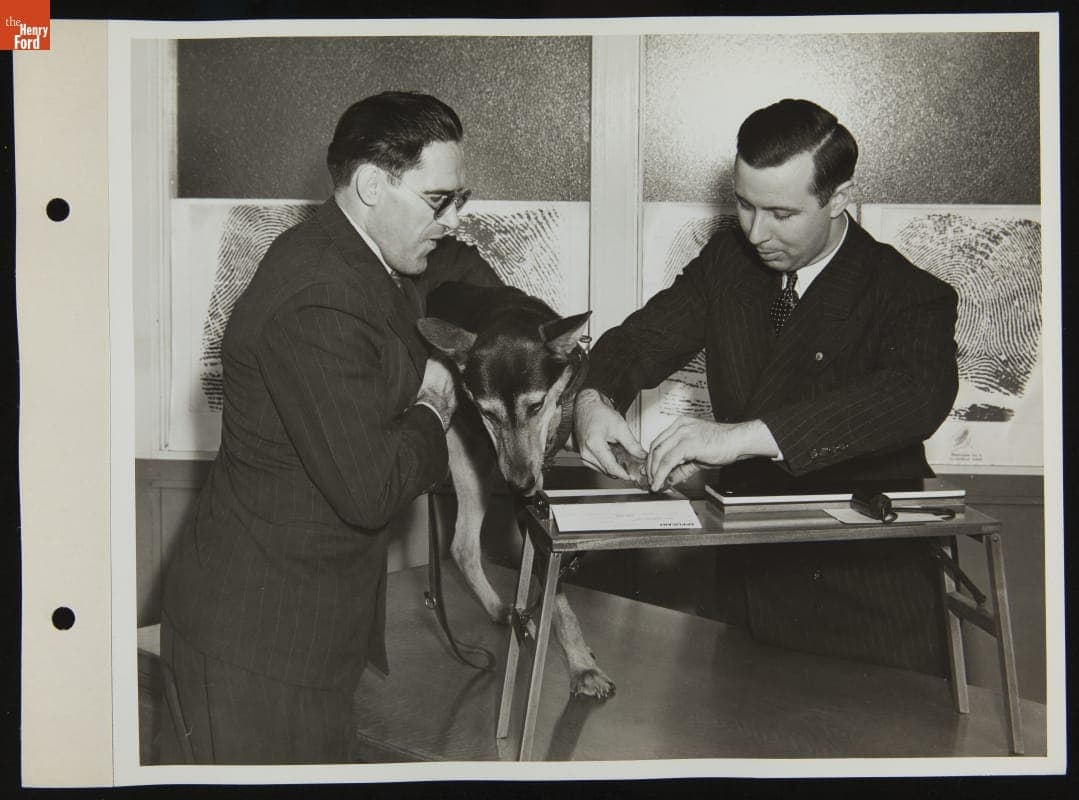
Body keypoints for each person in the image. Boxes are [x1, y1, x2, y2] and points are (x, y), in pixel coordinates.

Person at [158, 92, 501, 764]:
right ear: (373, 185)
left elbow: (460, 273)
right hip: (259, 639)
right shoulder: (321, 295)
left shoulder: (359, 255)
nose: (453, 220)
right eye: (439, 201)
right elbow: (369, 490)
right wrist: (434, 405)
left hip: (299, 625)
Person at [575, 98, 959, 674]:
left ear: (839, 197)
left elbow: (917, 395)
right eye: (744, 205)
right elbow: (638, 341)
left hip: (867, 608)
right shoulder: (728, 263)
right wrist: (593, 398)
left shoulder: (907, 292)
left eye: (781, 213)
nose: (756, 233)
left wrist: (740, 437)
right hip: (742, 593)